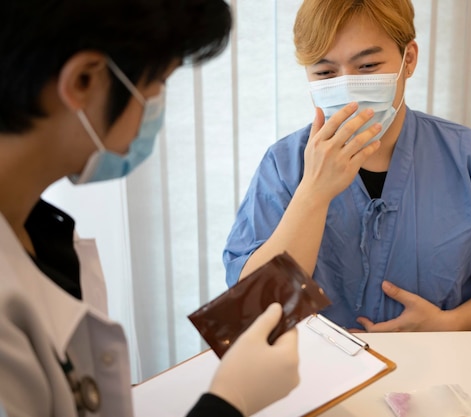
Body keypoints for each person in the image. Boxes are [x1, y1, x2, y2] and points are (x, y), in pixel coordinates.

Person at [0, 1, 299, 417]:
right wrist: (229, 403)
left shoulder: (38, 233)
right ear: (84, 79)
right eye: (157, 82)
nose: (157, 106)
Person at [223, 0, 471, 332]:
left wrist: (451, 324)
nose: (347, 86)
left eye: (367, 66)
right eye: (326, 72)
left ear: (408, 59)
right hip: (316, 373)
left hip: (442, 365)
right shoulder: (283, 167)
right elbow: (255, 308)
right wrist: (313, 193)